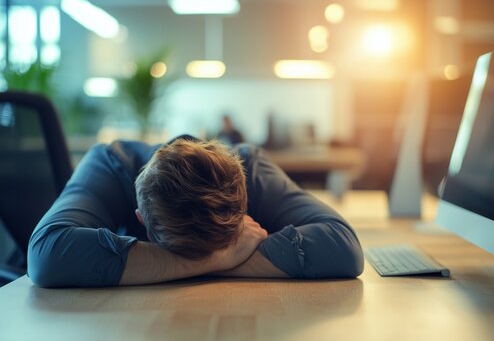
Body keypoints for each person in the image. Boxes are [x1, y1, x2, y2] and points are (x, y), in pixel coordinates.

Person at [27, 135, 363, 288]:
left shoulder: (251, 168)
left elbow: (343, 247)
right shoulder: (108, 163)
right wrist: (217, 259)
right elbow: (46, 256)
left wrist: (168, 265)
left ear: (244, 204)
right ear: (143, 218)